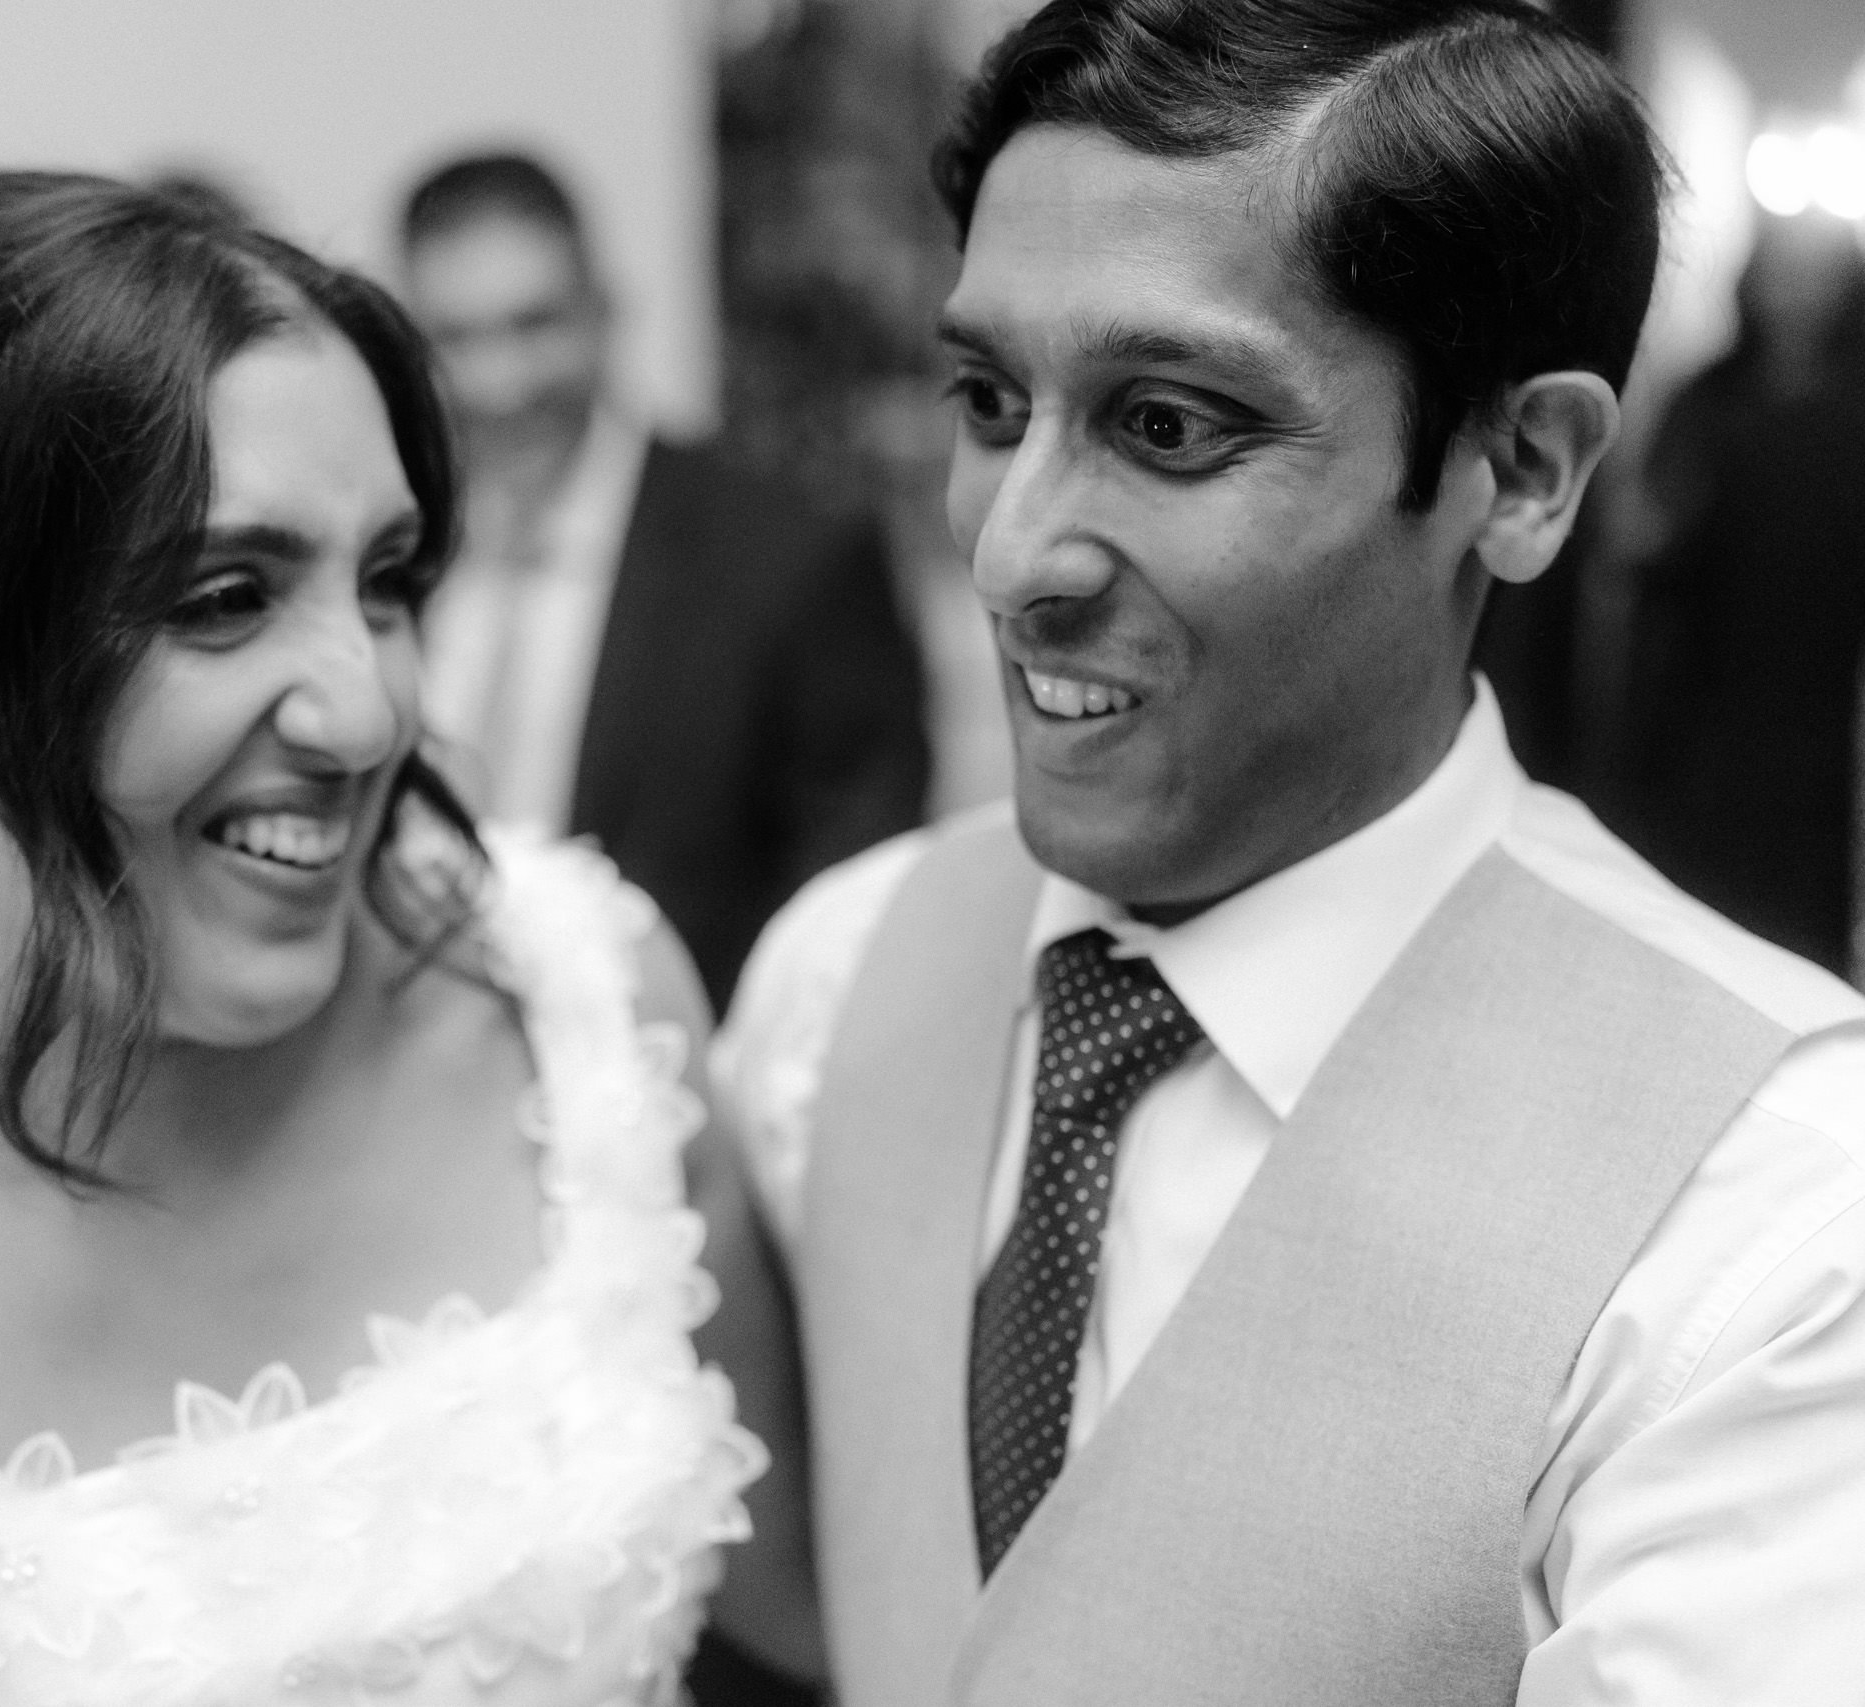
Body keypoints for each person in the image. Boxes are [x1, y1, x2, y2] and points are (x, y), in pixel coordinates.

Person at [0, 173, 797, 1707]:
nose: (368, 711)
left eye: (384, 581)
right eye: (225, 598)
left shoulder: (579, 1009)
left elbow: (840, 1617)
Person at [710, 3, 1865, 1703]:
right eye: (990, 400)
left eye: (1168, 425)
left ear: (1520, 469)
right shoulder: (839, 973)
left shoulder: (1774, 1216)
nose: (1011, 555)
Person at [396, 153, 930, 1012]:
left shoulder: (793, 557)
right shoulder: (393, 555)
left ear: (605, 313)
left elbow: (852, 907)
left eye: (535, 325)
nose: (501, 383)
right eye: (456, 339)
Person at [1614, 210, 1865, 974]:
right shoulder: (1708, 396)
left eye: (1815, 279)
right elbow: (1646, 534)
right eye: (1783, 276)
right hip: (1706, 688)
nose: (1795, 297)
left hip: (1824, 697)